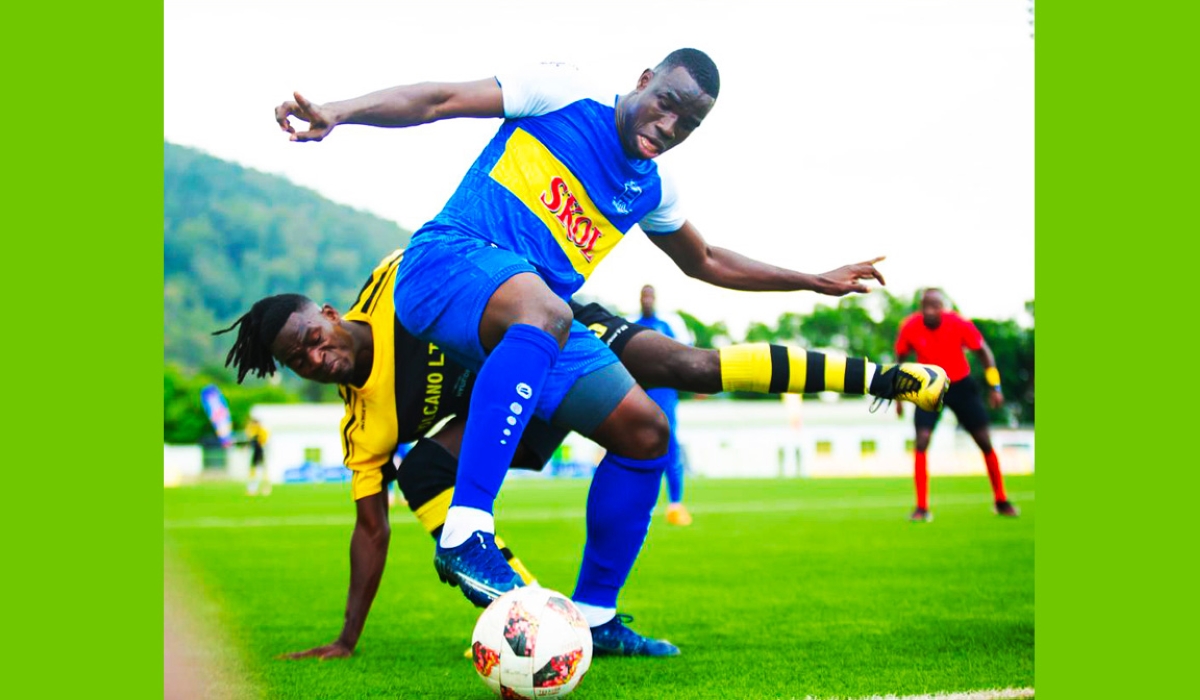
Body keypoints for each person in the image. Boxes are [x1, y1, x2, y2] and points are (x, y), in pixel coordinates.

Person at [273, 49, 913, 617]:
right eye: (666, 104)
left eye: (687, 125)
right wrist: (339, 111)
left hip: (534, 315)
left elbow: (707, 260)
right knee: (547, 313)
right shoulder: (563, 92)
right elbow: (438, 99)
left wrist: (810, 279)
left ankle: (596, 617)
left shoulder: (650, 189)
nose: (668, 127)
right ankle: (468, 529)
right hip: (448, 263)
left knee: (646, 431)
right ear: (643, 80)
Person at [215, 250, 948, 659]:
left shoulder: (398, 281)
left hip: (553, 333)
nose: (316, 357)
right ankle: (546, 622)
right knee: (422, 469)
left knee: (684, 370)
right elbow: (369, 528)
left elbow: (482, 255)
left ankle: (881, 379)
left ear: (329, 313)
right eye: (297, 360)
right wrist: (346, 638)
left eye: (312, 337)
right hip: (505, 412)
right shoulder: (363, 425)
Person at [895, 288, 1018, 522]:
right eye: (925, 306)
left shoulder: (959, 324)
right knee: (921, 441)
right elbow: (900, 358)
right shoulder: (910, 326)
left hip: (961, 384)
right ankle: (921, 507)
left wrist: (996, 386)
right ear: (920, 308)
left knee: (983, 440)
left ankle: (1001, 500)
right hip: (928, 386)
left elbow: (984, 353)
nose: (930, 311)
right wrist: (899, 397)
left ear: (944, 307)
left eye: (935, 306)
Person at [630, 285, 692, 526]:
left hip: (664, 393)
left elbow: (683, 354)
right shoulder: (632, 325)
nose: (646, 300)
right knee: (633, 446)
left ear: (655, 299)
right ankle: (637, 505)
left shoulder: (666, 325)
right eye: (643, 295)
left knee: (669, 444)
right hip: (637, 393)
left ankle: (675, 505)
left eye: (649, 295)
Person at [244, 417, 270, 496]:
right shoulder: (252, 430)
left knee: (262, 470)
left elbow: (263, 441)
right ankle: (252, 488)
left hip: (260, 451)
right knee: (253, 470)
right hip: (255, 451)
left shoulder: (262, 431)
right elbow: (249, 438)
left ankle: (265, 488)